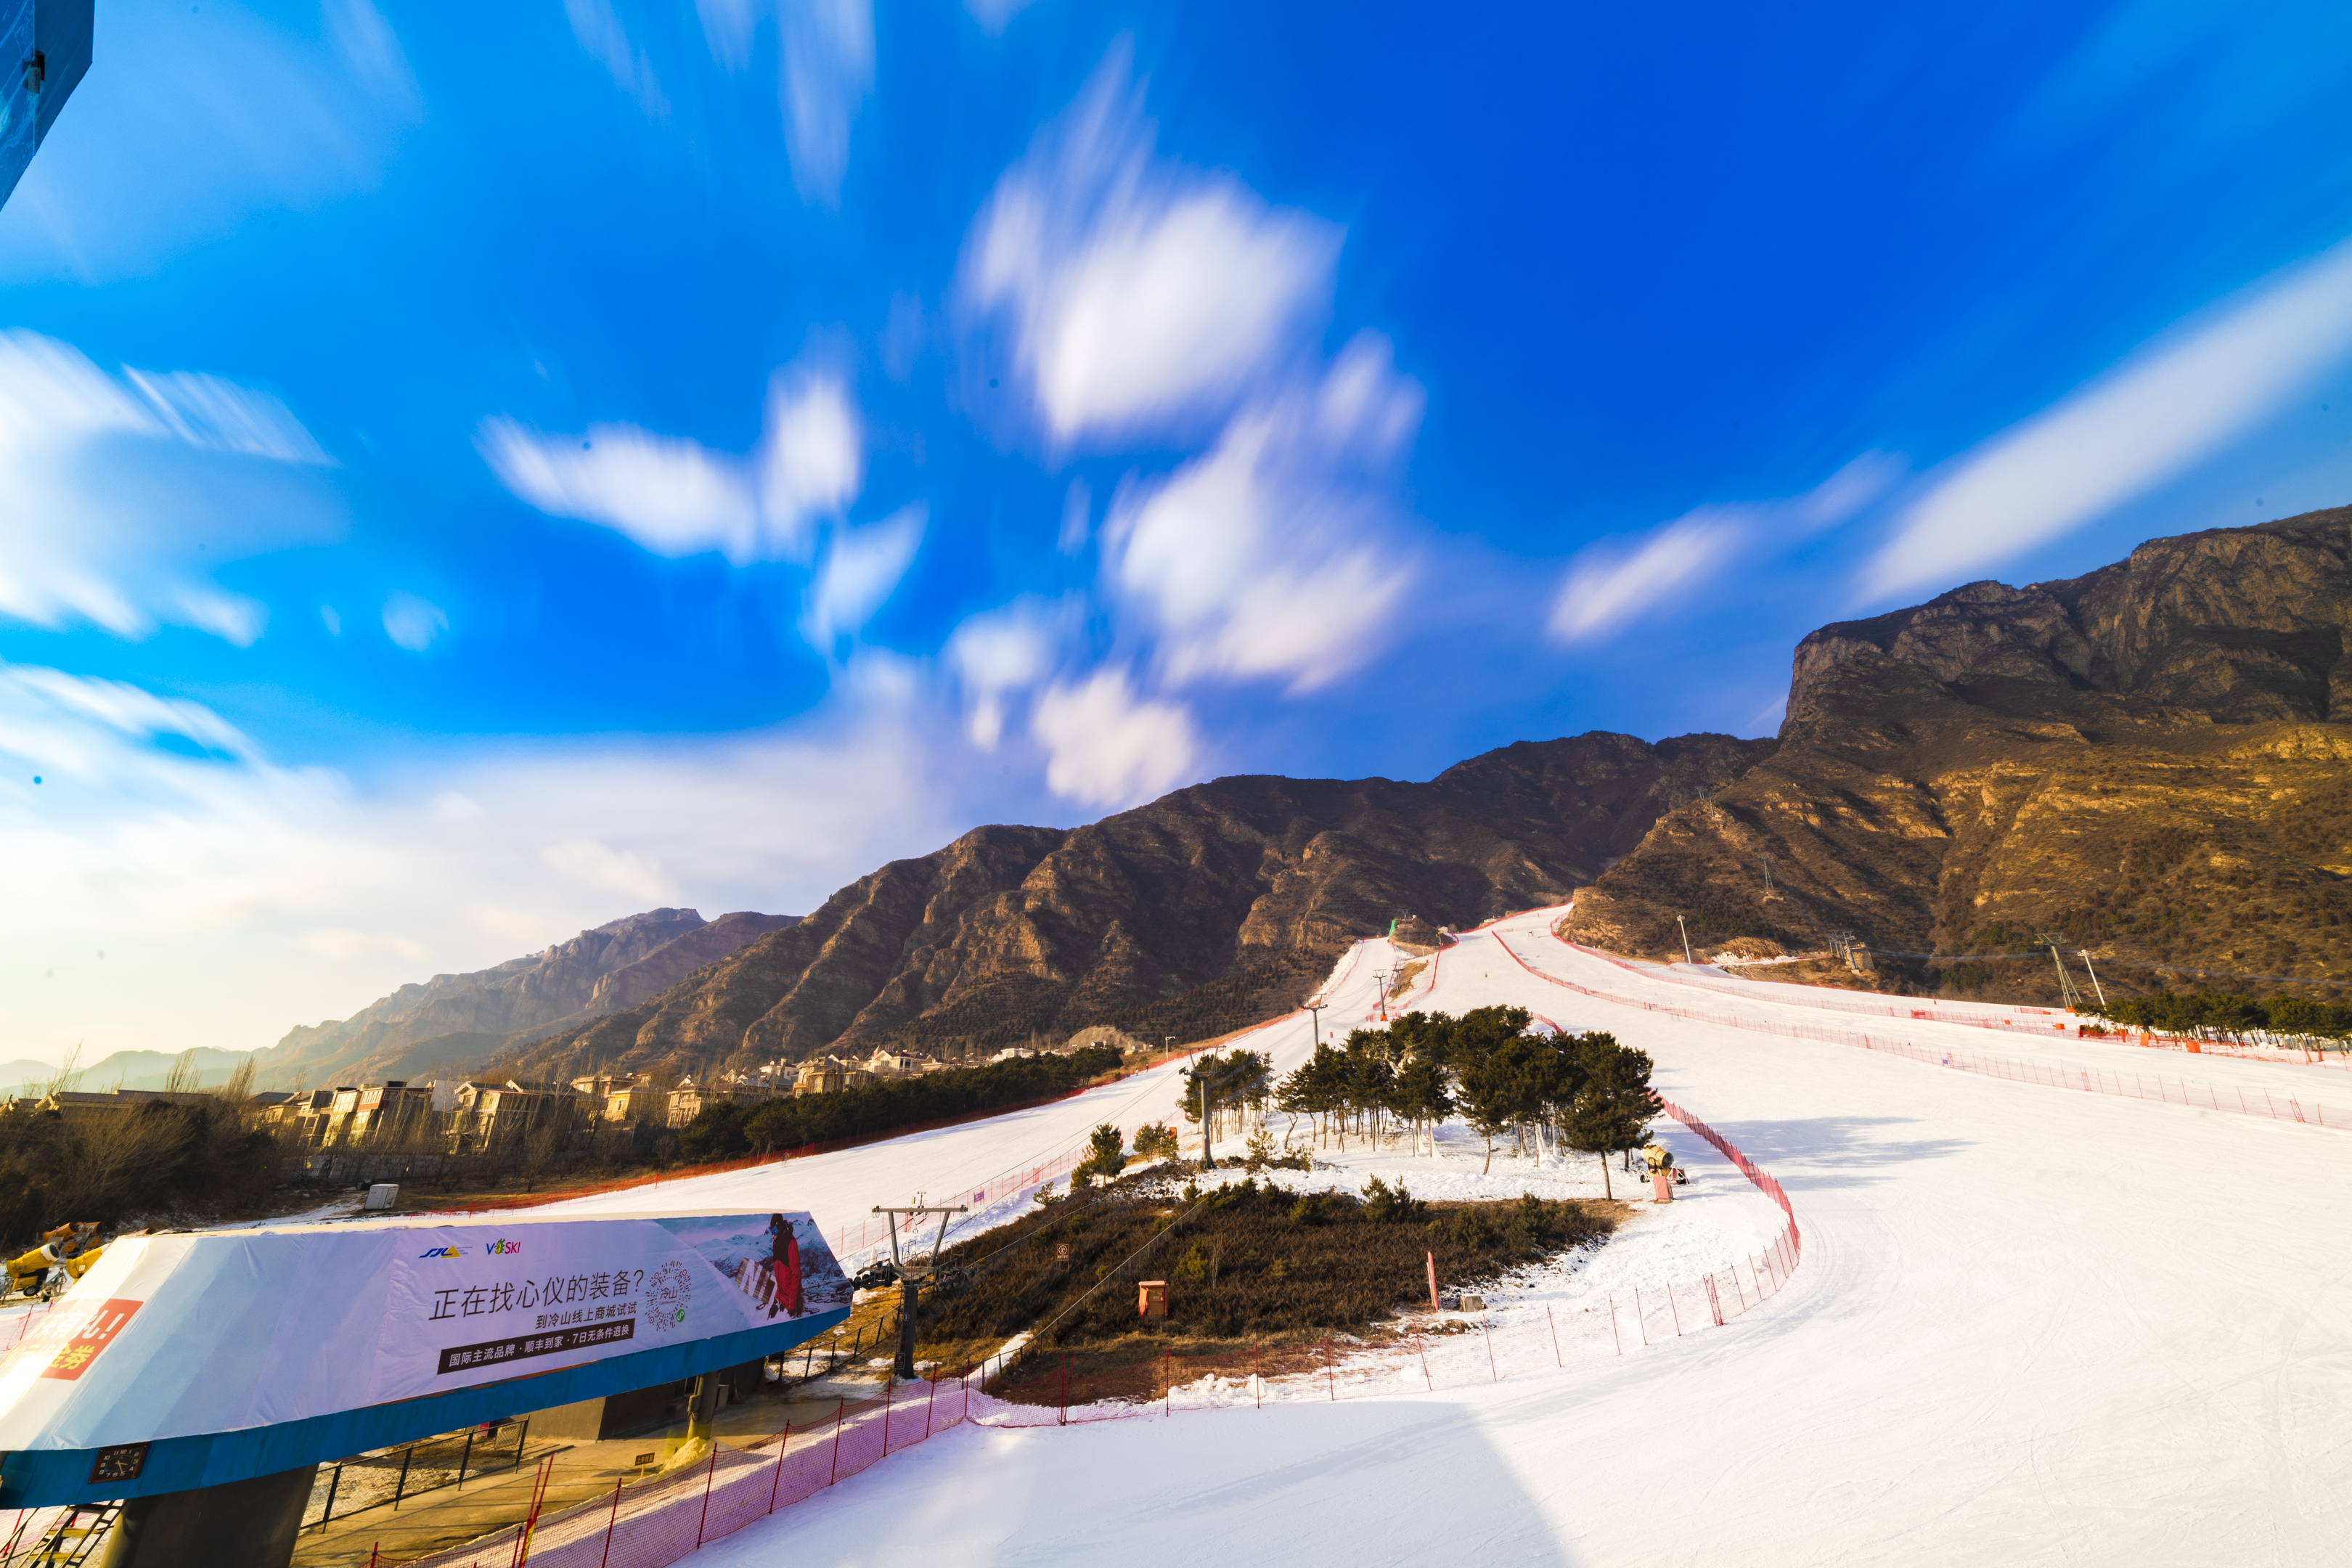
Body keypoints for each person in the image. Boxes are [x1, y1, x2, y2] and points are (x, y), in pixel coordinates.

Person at [764, 1213, 803, 1318]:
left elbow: (796, 1273)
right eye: (771, 1231)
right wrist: (777, 1299)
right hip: (781, 1299)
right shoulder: (776, 1243)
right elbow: (780, 1275)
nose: (773, 1234)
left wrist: (792, 1303)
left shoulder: (790, 1242)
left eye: (775, 1230)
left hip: (791, 1301)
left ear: (780, 1227)